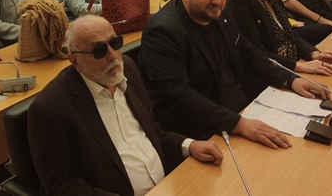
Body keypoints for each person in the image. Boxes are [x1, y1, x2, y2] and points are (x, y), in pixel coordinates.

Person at [138, 0, 328, 145]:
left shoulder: (221, 11)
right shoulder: (163, 32)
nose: (217, 1)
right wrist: (239, 124)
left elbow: (248, 54)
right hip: (202, 128)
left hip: (241, 109)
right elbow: (180, 95)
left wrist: (290, 79)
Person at [28, 15, 223, 196]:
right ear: (75, 61)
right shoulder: (50, 108)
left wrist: (189, 145)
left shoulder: (127, 68)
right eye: (99, 50)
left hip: (169, 186)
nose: (113, 56)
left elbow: (152, 132)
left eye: (115, 43)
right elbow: (64, 187)